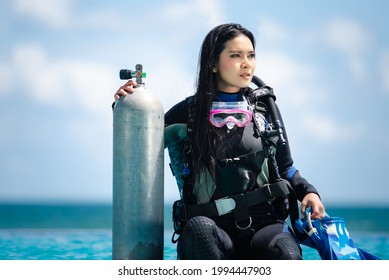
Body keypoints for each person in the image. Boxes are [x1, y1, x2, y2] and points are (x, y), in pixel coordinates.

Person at [114, 23, 325, 260]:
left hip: (266, 229)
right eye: (235, 55)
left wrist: (309, 193)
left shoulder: (264, 110)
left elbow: (286, 167)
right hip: (213, 234)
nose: (246, 63)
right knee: (198, 229)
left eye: (251, 55)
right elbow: (137, 139)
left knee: (285, 251)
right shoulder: (188, 114)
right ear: (213, 64)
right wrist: (128, 104)